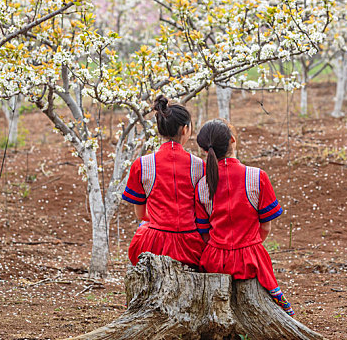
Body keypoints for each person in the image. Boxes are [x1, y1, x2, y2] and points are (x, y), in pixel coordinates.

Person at [194, 119, 295, 316]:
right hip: (251, 259)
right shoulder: (257, 177)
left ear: (205, 150)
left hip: (214, 260)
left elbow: (204, 233)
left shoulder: (201, 185)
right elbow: (266, 227)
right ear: (233, 140)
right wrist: (250, 245)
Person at [122, 95, 206, 268]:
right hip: (191, 247)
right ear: (185, 130)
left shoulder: (142, 164)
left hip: (152, 246)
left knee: (143, 225)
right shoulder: (199, 166)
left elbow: (140, 214)